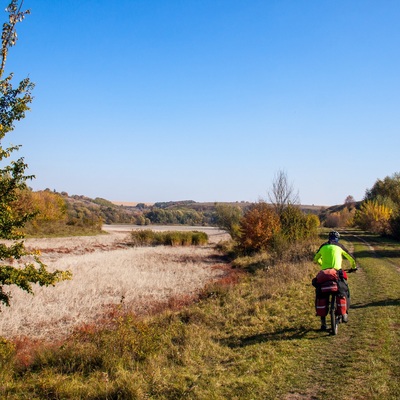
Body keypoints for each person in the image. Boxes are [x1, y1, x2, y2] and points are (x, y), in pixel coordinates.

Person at [313, 231, 357, 330]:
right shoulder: (339, 246)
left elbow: (315, 259)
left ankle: (323, 322)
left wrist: (323, 265)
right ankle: (345, 313)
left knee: (320, 294)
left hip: (324, 274)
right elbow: (352, 259)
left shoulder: (323, 246)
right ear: (338, 238)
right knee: (345, 290)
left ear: (329, 238)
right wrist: (353, 267)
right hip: (337, 274)